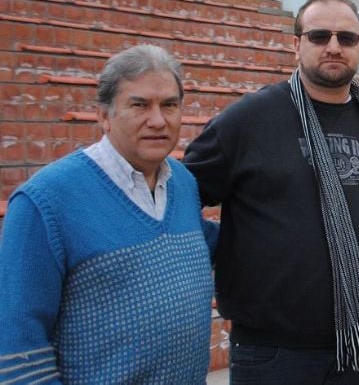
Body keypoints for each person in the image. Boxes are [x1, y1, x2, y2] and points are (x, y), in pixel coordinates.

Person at [183, 0, 359, 384]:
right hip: (273, 353)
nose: (334, 47)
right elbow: (179, 197)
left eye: (347, 38)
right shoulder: (249, 119)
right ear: (296, 44)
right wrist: (228, 247)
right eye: (319, 36)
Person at [0, 45, 218, 383]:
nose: (158, 120)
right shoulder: (45, 201)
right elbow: (16, 344)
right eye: (139, 105)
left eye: (169, 105)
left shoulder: (183, 183)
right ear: (104, 115)